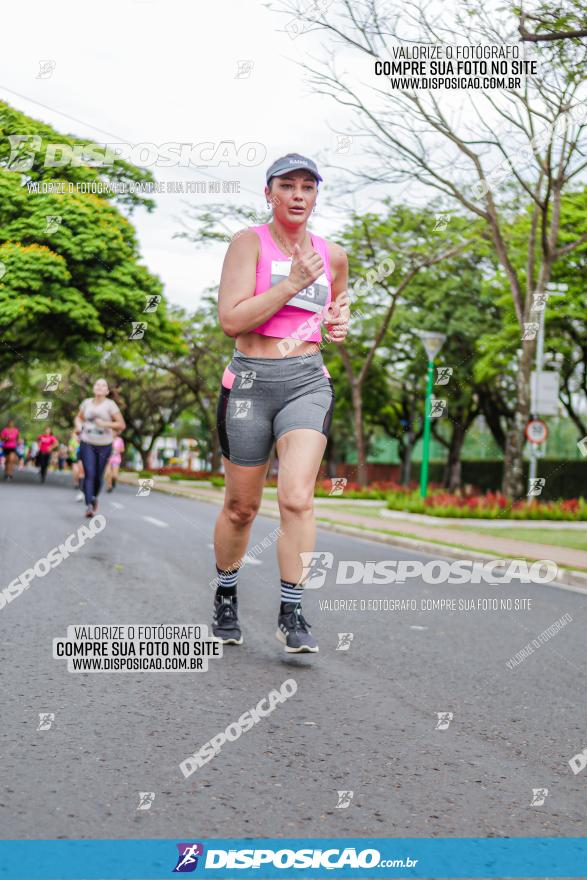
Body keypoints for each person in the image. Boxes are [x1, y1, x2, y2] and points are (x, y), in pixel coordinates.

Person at [212, 153, 349, 653]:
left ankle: (292, 611)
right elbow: (231, 320)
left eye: (307, 186)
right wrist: (292, 282)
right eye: (286, 185)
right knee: (242, 507)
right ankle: (225, 595)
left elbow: (336, 311)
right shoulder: (249, 243)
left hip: (306, 382)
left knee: (296, 497)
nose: (297, 194)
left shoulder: (332, 255)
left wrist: (337, 322)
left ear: (315, 195)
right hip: (248, 383)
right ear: (268, 193)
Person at [75, 379, 125, 517]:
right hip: (87, 443)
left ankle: (94, 497)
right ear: (93, 388)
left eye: (103, 385)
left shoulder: (110, 405)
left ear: (107, 391)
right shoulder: (86, 403)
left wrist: (105, 424)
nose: (100, 387)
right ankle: (89, 504)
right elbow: (78, 418)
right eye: (97, 384)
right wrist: (79, 427)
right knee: (89, 473)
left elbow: (121, 424)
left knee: (98, 476)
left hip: (104, 445)